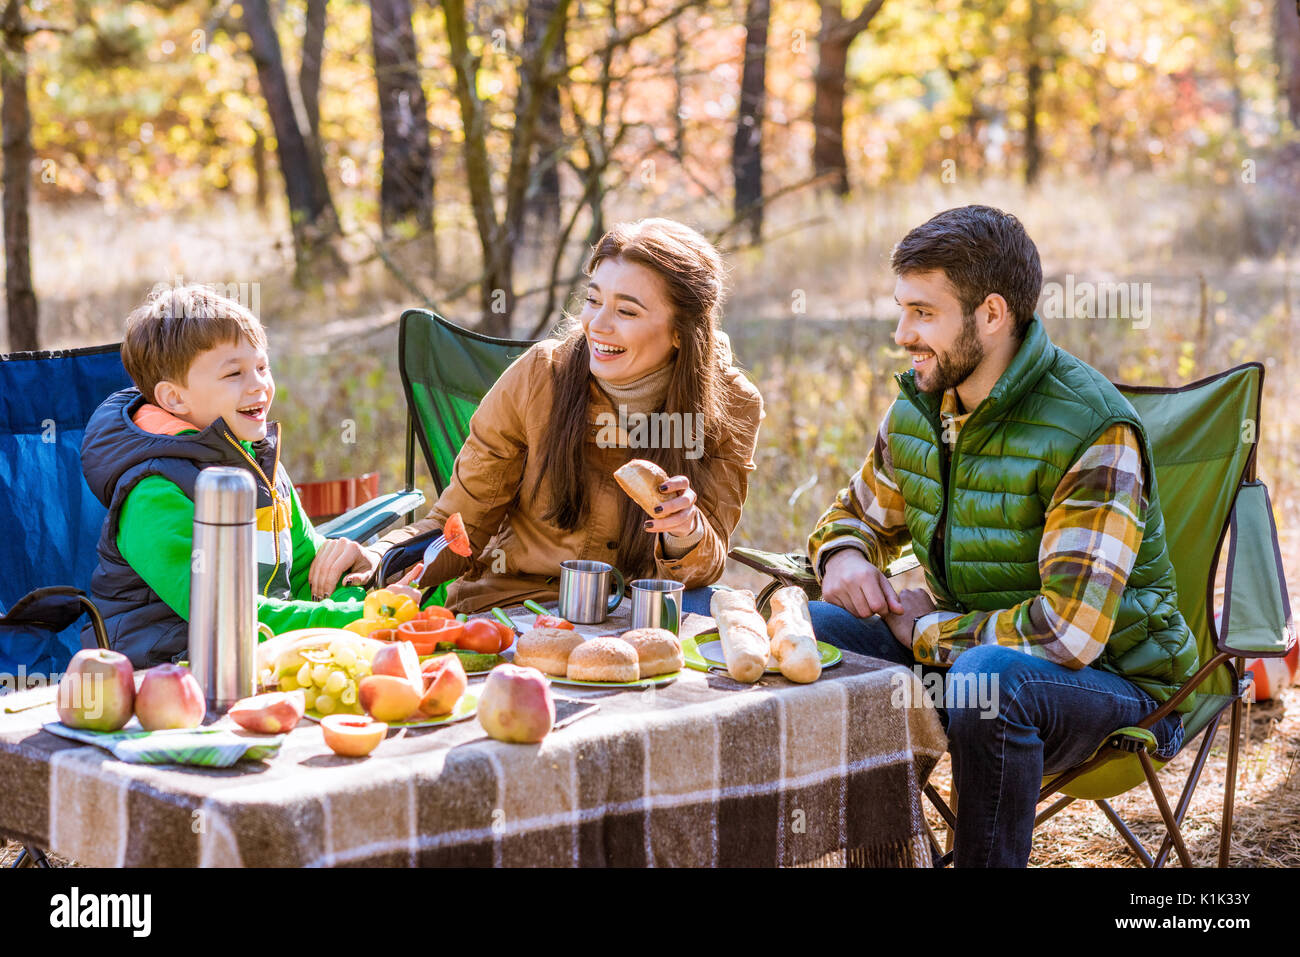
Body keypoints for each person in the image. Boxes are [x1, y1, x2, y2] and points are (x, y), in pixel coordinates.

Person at [805, 205, 1198, 867]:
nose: (902, 334)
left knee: (993, 680)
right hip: (970, 660)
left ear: (992, 314)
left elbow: (1068, 634)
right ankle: (888, 856)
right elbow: (852, 518)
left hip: (1113, 685)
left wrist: (927, 633)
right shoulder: (922, 407)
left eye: (923, 313)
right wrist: (844, 555)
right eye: (901, 310)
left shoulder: (1092, 431)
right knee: (819, 629)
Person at [375, 218, 764, 614]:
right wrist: (382, 556)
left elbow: (705, 565)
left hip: (636, 613)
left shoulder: (732, 404)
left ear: (681, 332)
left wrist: (685, 532)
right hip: (517, 607)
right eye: (593, 301)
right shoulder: (539, 376)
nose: (597, 325)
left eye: (626, 311)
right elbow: (460, 524)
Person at [81, 285, 380, 668]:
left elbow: (308, 577)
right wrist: (363, 620)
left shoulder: (257, 460)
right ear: (174, 399)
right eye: (235, 373)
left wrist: (376, 594)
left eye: (262, 366)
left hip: (259, 654)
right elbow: (225, 616)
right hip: (165, 673)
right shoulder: (153, 493)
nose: (258, 384)